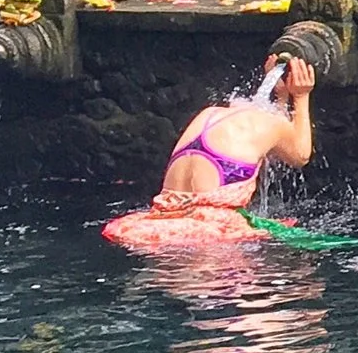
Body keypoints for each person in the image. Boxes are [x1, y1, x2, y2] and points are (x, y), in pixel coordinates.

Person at [102, 58, 334, 252]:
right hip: (212, 232)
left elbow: (275, 137)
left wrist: (281, 97)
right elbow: (300, 155)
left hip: (164, 219)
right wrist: (301, 97)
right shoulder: (271, 125)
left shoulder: (211, 113)